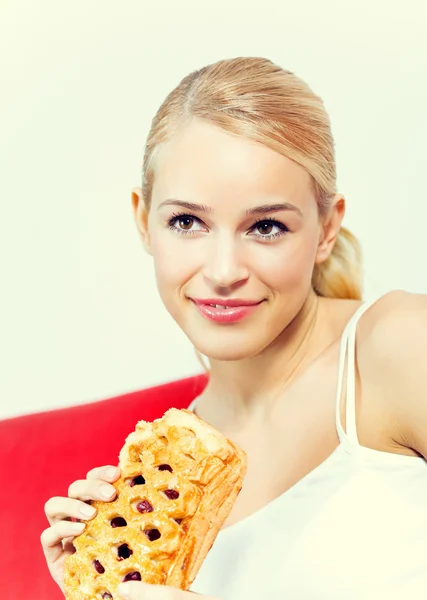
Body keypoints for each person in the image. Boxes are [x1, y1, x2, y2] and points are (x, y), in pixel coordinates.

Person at [41, 56, 427, 600]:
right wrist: (99, 589)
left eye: (266, 226)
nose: (223, 271)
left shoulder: (399, 347)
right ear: (142, 221)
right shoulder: (160, 476)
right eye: (187, 222)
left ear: (326, 229)